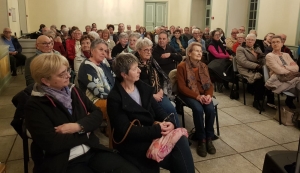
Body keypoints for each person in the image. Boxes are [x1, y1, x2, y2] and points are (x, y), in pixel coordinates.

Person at [25, 53, 140, 173]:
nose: (68, 75)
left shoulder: (72, 90)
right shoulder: (34, 106)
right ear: (45, 81)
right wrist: (86, 131)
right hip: (64, 160)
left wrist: (78, 126)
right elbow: (52, 144)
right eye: (62, 74)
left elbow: (97, 114)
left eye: (67, 70)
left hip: (92, 149)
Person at [107, 53, 195, 173]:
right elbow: (124, 130)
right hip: (134, 142)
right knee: (178, 157)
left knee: (181, 143)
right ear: (124, 74)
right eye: (134, 69)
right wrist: (157, 129)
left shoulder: (142, 87)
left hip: (151, 132)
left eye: (138, 67)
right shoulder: (115, 97)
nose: (139, 70)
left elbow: (158, 110)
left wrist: (169, 122)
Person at [177, 42, 216, 157]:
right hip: (188, 94)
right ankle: (201, 140)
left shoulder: (203, 66)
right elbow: (182, 87)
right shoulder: (182, 66)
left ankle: (209, 137)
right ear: (189, 53)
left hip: (203, 94)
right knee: (198, 109)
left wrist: (208, 95)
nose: (200, 53)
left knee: (210, 109)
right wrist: (197, 96)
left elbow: (209, 84)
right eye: (196, 51)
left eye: (201, 51)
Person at [133, 38, 180, 126]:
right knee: (163, 113)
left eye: (150, 49)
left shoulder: (152, 62)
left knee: (171, 110)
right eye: (146, 50)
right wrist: (152, 95)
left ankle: (177, 134)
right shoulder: (134, 65)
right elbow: (135, 85)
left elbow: (160, 77)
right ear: (139, 51)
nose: (149, 52)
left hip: (158, 92)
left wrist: (161, 89)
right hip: (144, 96)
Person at [236, 33, 274, 110]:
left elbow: (263, 57)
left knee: (270, 77)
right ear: (245, 40)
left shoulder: (256, 48)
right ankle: (256, 101)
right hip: (245, 69)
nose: (250, 41)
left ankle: (270, 100)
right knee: (259, 79)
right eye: (248, 39)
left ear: (254, 41)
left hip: (258, 67)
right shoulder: (240, 48)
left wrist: (266, 65)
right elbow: (243, 62)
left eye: (252, 40)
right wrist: (257, 66)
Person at [265, 35, 300, 109]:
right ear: (271, 44)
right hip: (279, 80)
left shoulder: (286, 55)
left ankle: (291, 103)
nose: (275, 44)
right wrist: (291, 68)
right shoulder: (269, 56)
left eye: (278, 42)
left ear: (282, 44)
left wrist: (285, 67)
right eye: (273, 42)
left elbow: (296, 68)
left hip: (291, 78)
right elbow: (279, 71)